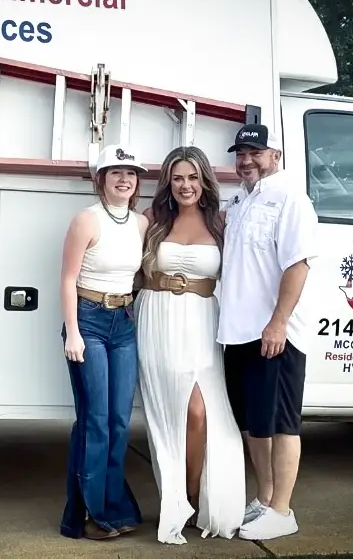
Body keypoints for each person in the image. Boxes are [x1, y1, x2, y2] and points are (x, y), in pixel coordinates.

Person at [133, 146, 248, 544]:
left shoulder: (220, 223)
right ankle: (178, 499)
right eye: (178, 178)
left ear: (204, 182)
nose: (186, 185)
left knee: (200, 411)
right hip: (158, 319)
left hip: (203, 322)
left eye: (193, 177)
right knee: (171, 413)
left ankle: (194, 495)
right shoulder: (152, 221)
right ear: (168, 182)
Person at [217, 124, 319, 541]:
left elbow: (299, 264)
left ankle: (283, 509)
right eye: (241, 153)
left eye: (255, 152)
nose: (246, 160)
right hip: (237, 332)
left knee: (281, 424)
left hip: (275, 335)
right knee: (252, 424)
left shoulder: (291, 200)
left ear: (275, 155)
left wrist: (277, 322)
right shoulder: (240, 201)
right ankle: (264, 499)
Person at [58, 143, 149, 540]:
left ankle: (113, 507)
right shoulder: (86, 220)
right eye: (116, 173)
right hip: (89, 322)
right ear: (101, 180)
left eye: (130, 174)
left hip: (124, 323)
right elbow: (67, 279)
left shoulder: (141, 224)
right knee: (95, 421)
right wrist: (73, 332)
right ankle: (92, 515)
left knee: (118, 422)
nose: (124, 180)